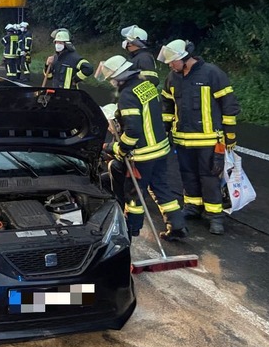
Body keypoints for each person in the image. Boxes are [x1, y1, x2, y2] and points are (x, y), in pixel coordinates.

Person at [96, 55, 187, 240]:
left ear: (118, 76)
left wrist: (120, 149)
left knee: (134, 195)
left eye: (111, 79)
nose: (111, 83)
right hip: (160, 149)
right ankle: (177, 226)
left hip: (142, 154)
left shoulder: (127, 95)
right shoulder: (145, 85)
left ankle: (131, 230)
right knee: (161, 187)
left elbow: (133, 129)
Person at [158, 39, 241, 235]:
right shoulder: (172, 78)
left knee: (210, 177)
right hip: (183, 140)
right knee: (188, 175)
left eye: (172, 62)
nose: (170, 66)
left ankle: (215, 217)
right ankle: (193, 207)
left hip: (209, 140)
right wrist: (164, 131)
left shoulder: (212, 74)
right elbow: (167, 108)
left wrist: (229, 136)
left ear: (184, 58)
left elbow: (229, 106)